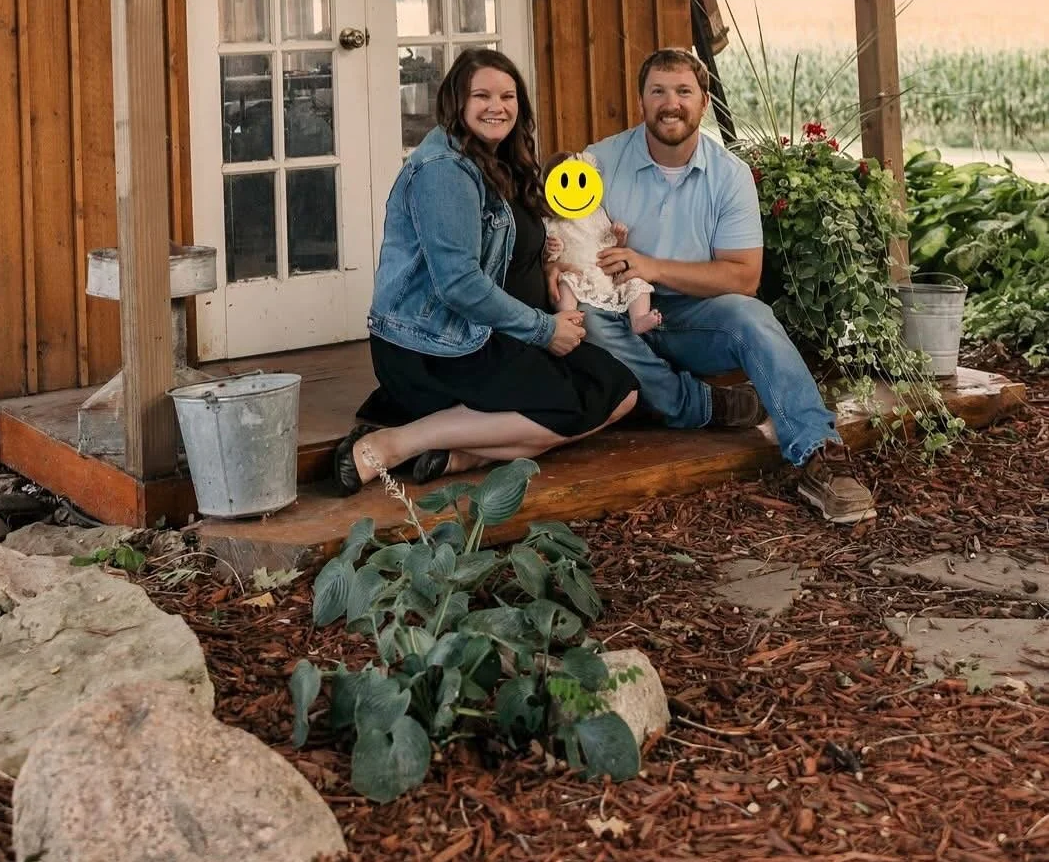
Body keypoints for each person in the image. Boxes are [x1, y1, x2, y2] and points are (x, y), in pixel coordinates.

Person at [554, 48, 876, 526]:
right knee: (589, 322)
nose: (671, 103)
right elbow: (566, 228)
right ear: (640, 100)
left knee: (752, 318)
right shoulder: (599, 163)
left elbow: (742, 277)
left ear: (703, 102)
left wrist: (652, 267)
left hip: (693, 319)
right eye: (658, 91)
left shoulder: (729, 175)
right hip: (618, 315)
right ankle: (698, 405)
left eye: (684, 91)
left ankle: (817, 452)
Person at [333, 48, 638, 493]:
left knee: (621, 392)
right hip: (436, 346)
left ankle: (459, 456)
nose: (497, 107)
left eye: (508, 96)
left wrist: (550, 268)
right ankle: (392, 445)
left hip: (491, 333)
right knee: (568, 410)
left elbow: (520, 248)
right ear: (456, 101)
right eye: (482, 96)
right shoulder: (444, 171)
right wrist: (542, 329)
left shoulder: (501, 159)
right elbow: (459, 284)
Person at [541, 154, 661, 335]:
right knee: (566, 284)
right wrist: (551, 248)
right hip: (579, 275)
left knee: (637, 282)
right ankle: (569, 317)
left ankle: (639, 318)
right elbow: (546, 253)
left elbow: (612, 245)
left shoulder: (596, 212)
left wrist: (619, 236)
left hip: (607, 274)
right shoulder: (551, 221)